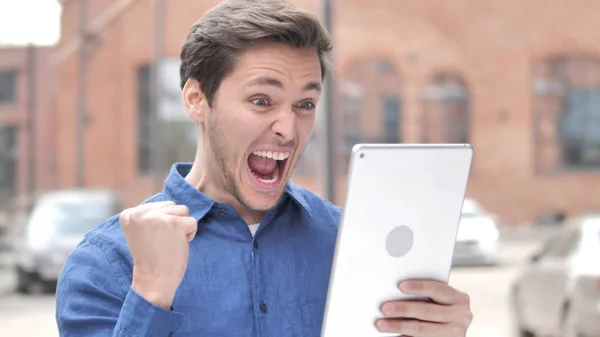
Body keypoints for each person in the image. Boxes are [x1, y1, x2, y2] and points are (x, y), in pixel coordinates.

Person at [55, 0, 473, 336]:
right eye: (261, 101)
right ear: (197, 100)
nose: (288, 129)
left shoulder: (349, 242)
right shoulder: (107, 264)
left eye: (305, 105)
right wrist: (150, 294)